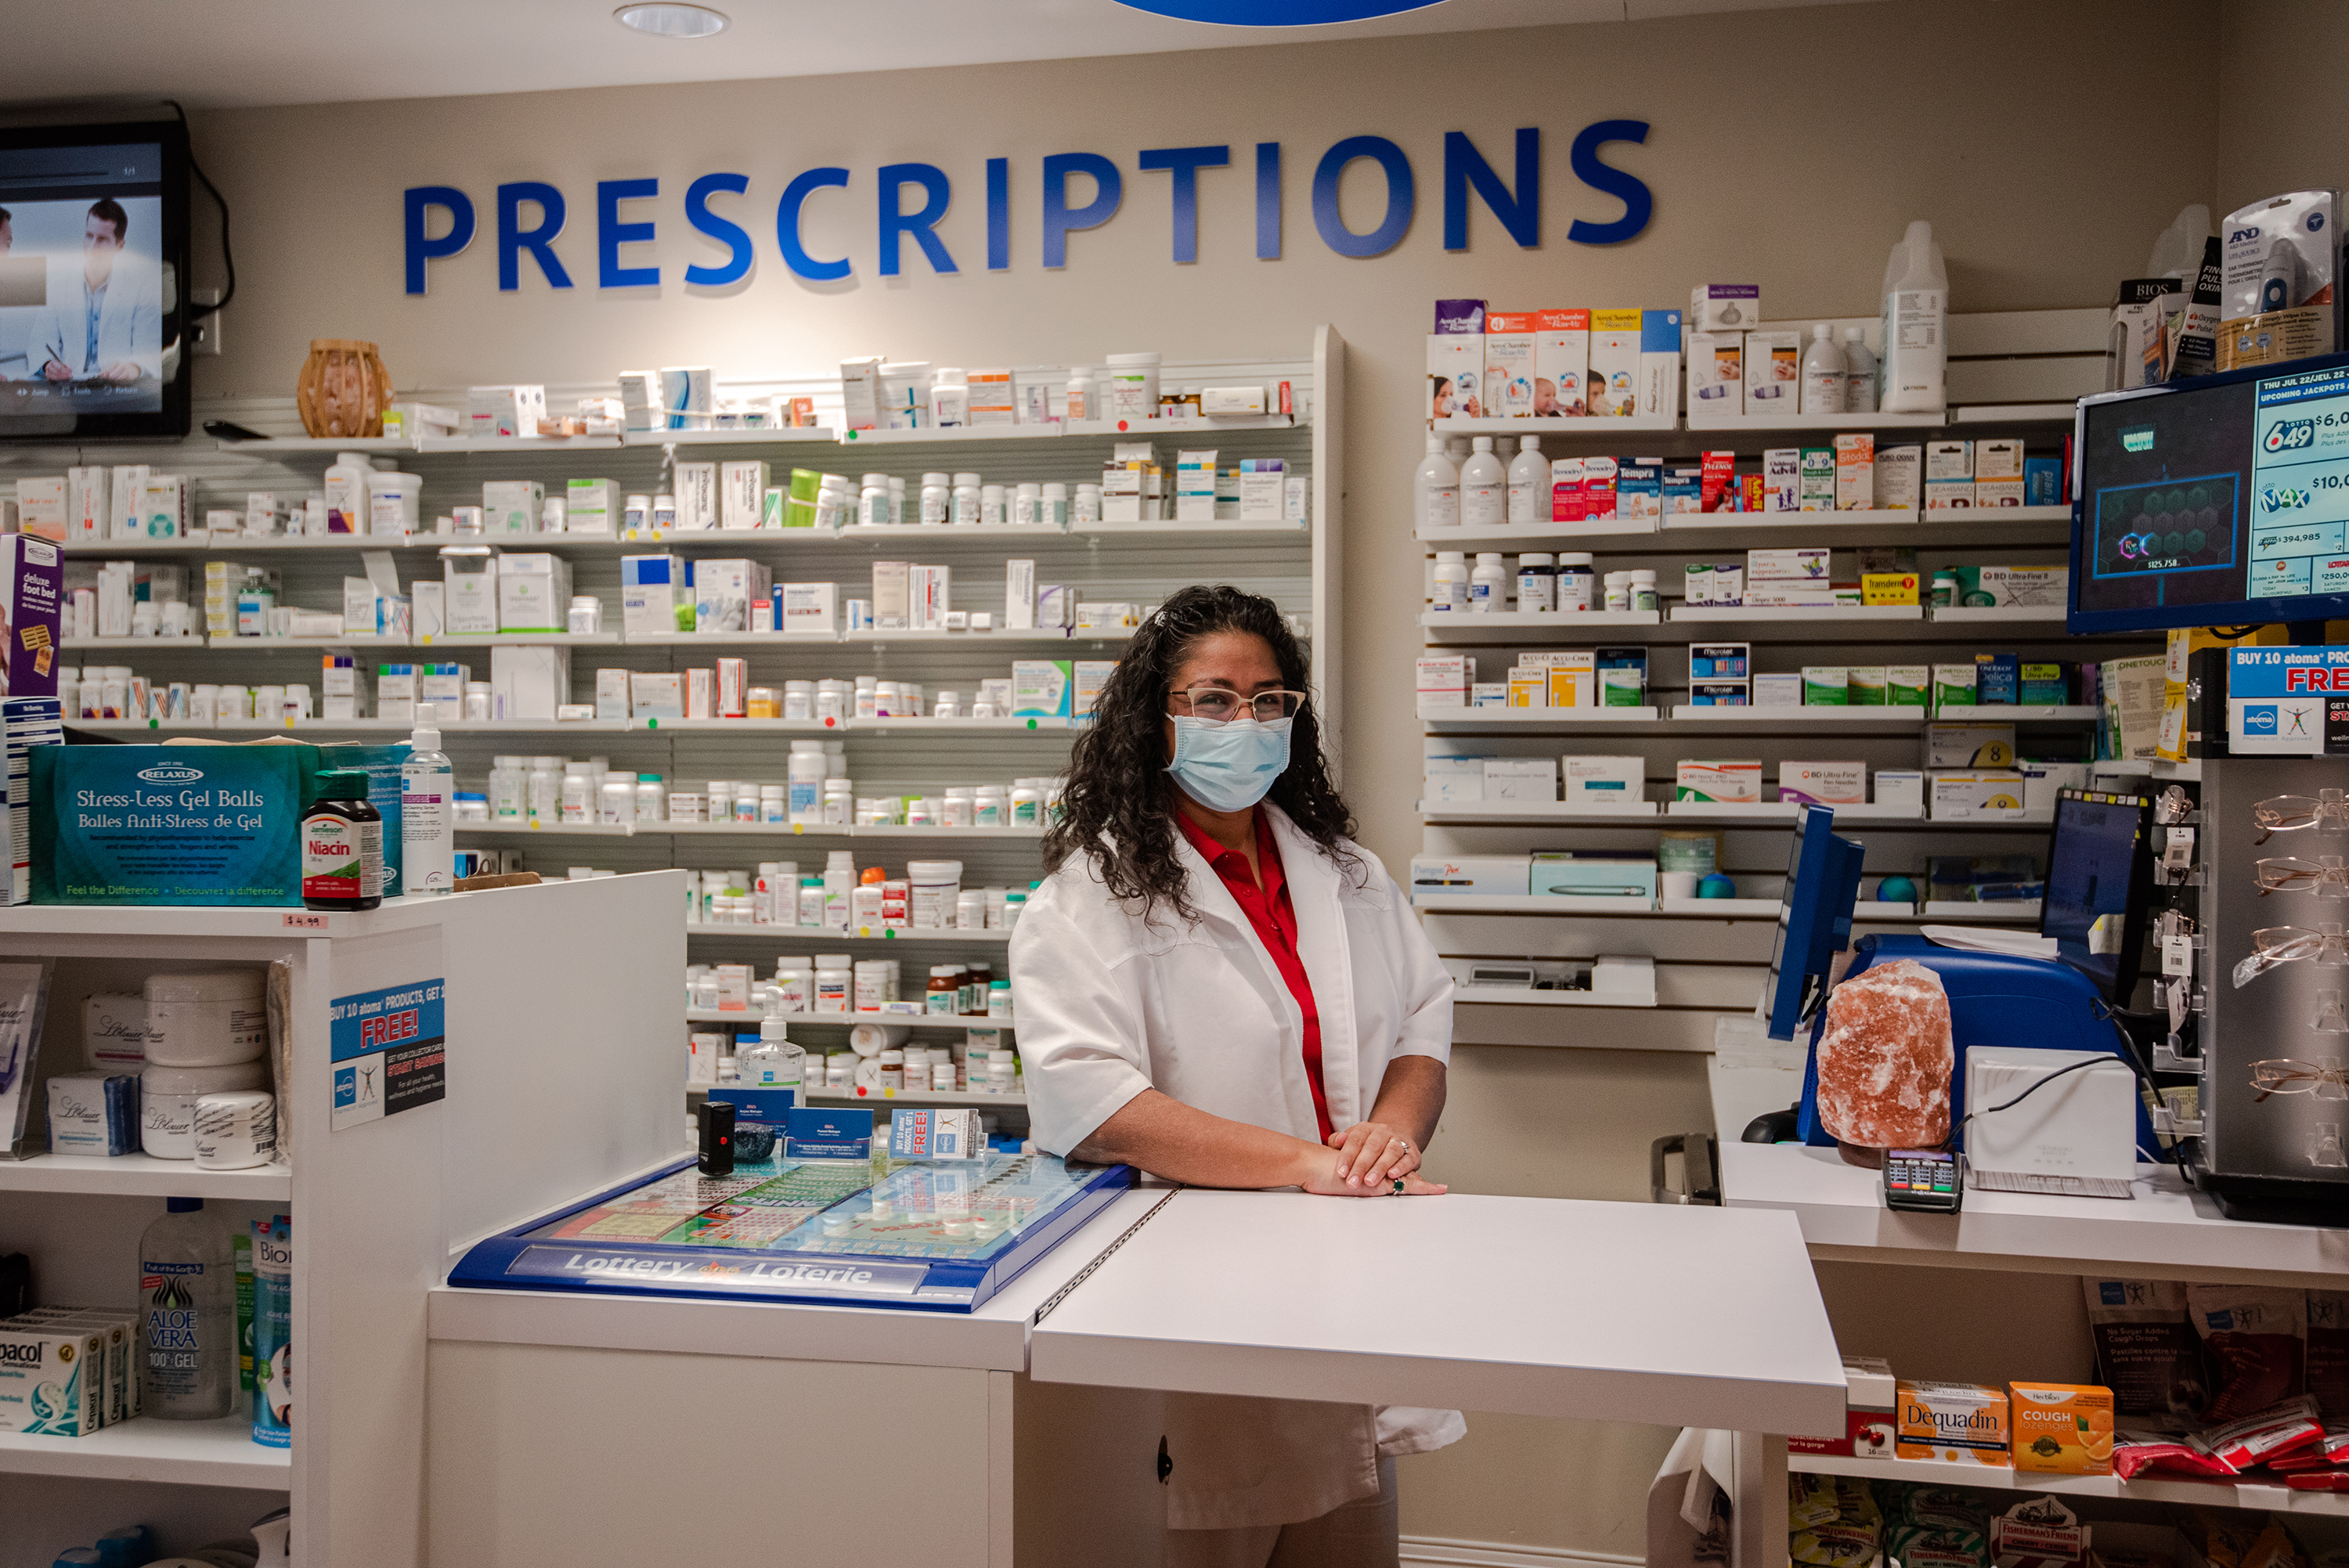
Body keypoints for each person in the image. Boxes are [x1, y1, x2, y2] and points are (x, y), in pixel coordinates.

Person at [1012, 583, 1462, 1568]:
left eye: (1269, 702)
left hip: (1351, 1282)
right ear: (1156, 716)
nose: (1244, 723)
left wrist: (1392, 1131)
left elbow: (1425, 1014)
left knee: (1349, 1518)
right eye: (1213, 699)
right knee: (1211, 1519)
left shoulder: (1344, 872)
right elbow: (1093, 1101)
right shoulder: (1087, 898)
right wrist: (1309, 1163)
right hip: (1194, 1304)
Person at [27, 197, 160, 385]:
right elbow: (40, 343)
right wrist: (47, 364)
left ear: (119, 246)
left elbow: (149, 351)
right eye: (89, 236)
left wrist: (135, 367)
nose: (92, 247)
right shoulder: (57, 285)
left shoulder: (142, 288)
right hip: (68, 387)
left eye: (102, 240)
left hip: (117, 388)